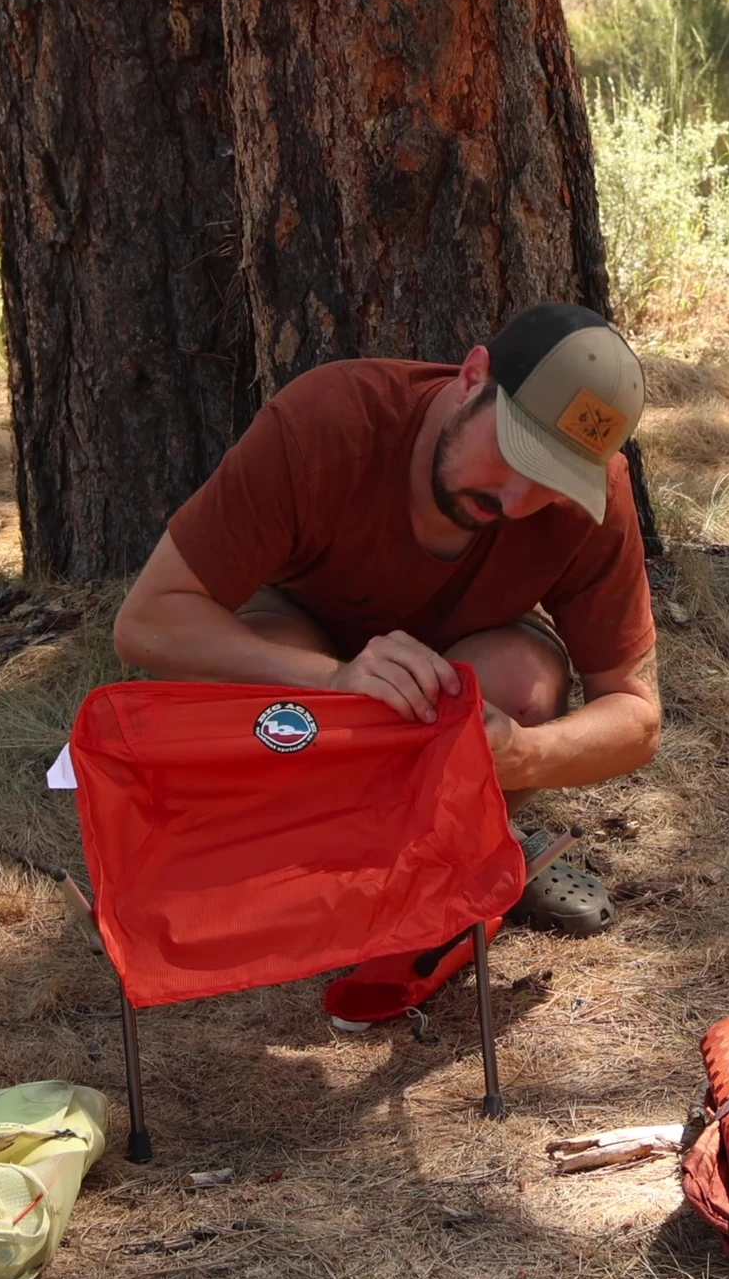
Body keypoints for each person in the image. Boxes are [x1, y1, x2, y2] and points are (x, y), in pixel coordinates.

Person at [112, 301, 661, 940]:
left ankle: (459, 853)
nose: (516, 502)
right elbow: (147, 621)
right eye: (515, 453)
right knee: (269, 692)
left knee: (521, 682)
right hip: (311, 648)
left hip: (466, 663)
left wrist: (523, 755)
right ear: (472, 377)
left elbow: (637, 716)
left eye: (551, 482)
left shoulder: (596, 501)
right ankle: (319, 861)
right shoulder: (325, 424)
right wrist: (336, 679)